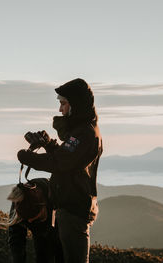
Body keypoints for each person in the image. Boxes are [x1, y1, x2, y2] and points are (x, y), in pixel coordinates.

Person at [17, 78, 103, 263]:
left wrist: (27, 157)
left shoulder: (85, 134)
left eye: (63, 103)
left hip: (74, 208)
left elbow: (60, 162)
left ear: (76, 104)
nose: (60, 109)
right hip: (71, 206)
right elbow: (67, 159)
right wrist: (48, 144)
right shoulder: (83, 131)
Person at [7, 177, 63, 263]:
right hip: (43, 229)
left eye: (34, 219)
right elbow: (16, 239)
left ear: (43, 207)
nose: (29, 222)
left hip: (60, 227)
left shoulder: (58, 197)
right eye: (26, 219)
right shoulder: (18, 200)